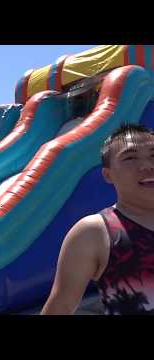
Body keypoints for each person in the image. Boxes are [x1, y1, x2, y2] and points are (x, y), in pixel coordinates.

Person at [41, 124, 154, 315]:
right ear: (108, 175)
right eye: (130, 158)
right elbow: (61, 306)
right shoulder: (94, 233)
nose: (148, 166)